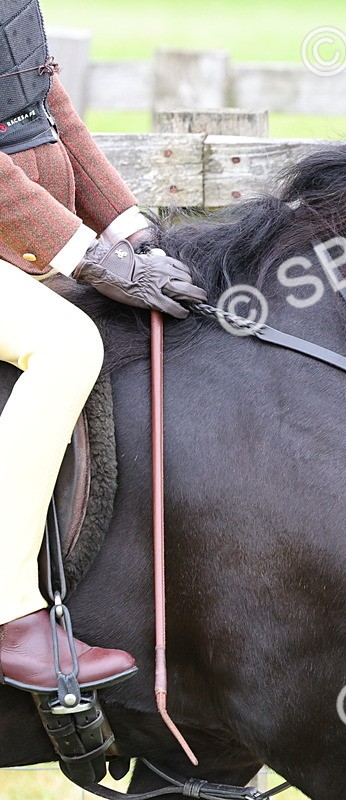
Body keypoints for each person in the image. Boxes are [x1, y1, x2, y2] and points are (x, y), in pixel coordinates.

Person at [0, 0, 206, 695]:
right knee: (63, 343)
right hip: (18, 241)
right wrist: (93, 258)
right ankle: (7, 611)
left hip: (17, 246)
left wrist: (131, 232)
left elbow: (42, 102)